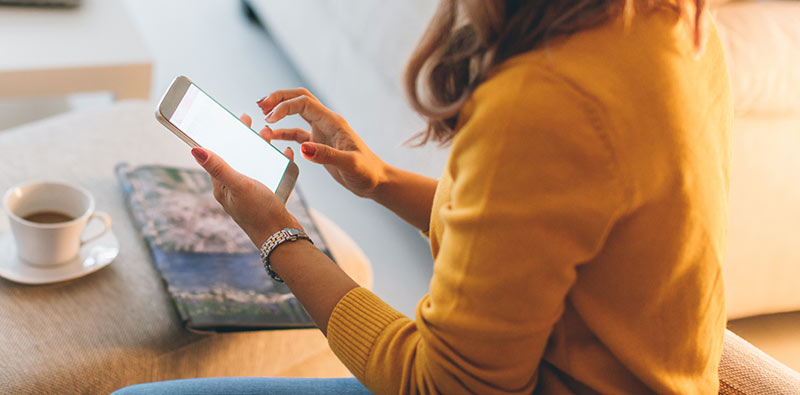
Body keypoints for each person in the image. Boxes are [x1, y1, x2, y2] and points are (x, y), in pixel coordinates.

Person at [116, 0, 731, 393]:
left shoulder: (544, 103)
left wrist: (277, 236)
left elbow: (440, 385)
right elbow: (538, 235)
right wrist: (381, 181)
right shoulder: (673, 25)